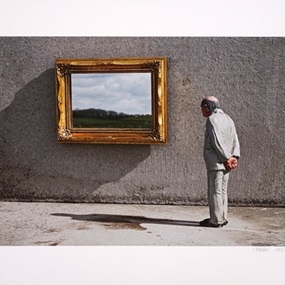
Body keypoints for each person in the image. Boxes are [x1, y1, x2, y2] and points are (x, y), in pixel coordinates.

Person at [199, 96, 240, 228]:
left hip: (217, 161)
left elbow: (217, 142)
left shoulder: (212, 119)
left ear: (207, 107)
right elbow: (235, 140)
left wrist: (226, 158)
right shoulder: (228, 118)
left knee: (214, 190)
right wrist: (234, 157)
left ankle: (216, 220)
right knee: (222, 190)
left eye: (202, 108)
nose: (202, 112)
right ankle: (222, 217)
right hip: (227, 162)